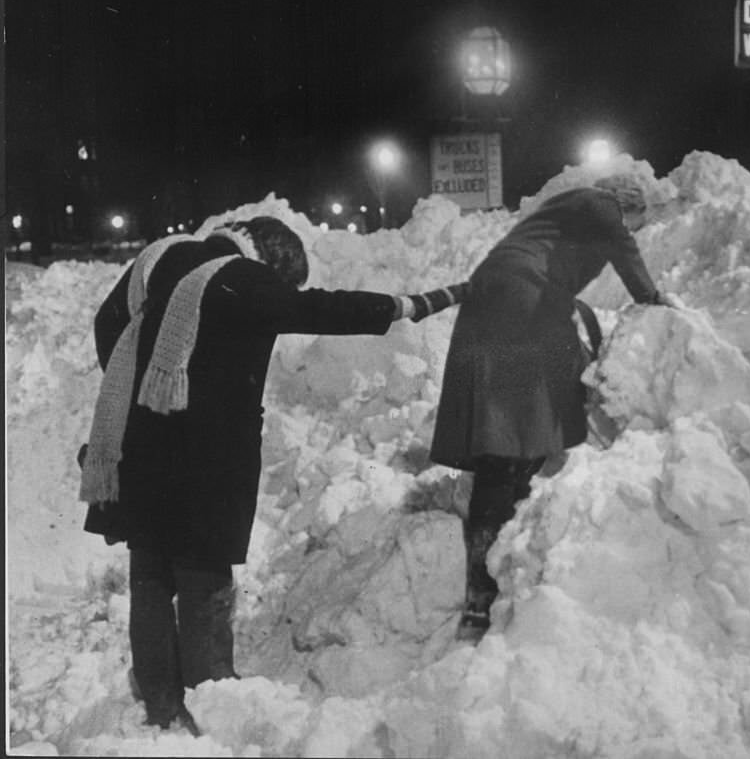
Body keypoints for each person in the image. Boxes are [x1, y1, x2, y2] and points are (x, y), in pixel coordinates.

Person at [79, 216, 466, 733]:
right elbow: (320, 308)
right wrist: (413, 305)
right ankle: (211, 703)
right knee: (203, 577)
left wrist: (145, 385)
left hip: (137, 443)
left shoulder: (162, 257)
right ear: (272, 262)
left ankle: (160, 701)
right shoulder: (242, 277)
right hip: (204, 456)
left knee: (150, 576)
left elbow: (108, 322)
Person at [429, 174, 668, 643]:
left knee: (508, 436)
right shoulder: (600, 204)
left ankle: (493, 569)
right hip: (521, 305)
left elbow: (546, 272)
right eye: (637, 223)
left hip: (504, 300)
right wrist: (653, 300)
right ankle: (487, 583)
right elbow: (623, 249)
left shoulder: (560, 217)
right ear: (630, 205)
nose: (632, 232)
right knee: (513, 437)